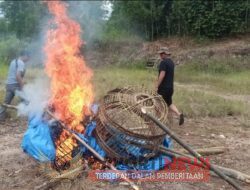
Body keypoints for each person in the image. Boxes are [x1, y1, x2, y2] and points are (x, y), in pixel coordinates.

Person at [156, 47, 184, 126]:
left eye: (161, 54)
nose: (160, 55)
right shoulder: (171, 62)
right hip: (170, 88)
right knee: (169, 103)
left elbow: (162, 75)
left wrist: (157, 86)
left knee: (158, 102)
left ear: (165, 54)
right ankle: (179, 114)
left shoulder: (163, 62)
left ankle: (160, 121)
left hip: (163, 88)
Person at [0, 50, 30, 119]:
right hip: (15, 86)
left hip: (9, 85)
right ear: (25, 56)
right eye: (28, 58)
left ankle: (0, 116)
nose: (28, 60)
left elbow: (13, 74)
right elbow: (18, 76)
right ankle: (29, 117)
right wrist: (22, 86)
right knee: (26, 100)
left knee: (6, 103)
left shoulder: (13, 61)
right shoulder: (21, 63)